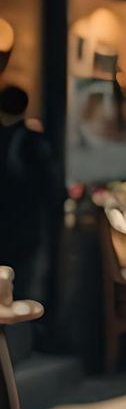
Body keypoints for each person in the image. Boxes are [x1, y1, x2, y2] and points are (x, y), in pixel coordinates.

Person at [0, 85, 60, 309]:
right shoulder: (33, 140)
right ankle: (22, 337)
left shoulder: (19, 140)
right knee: (23, 290)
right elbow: (48, 184)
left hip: (13, 223)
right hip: (26, 223)